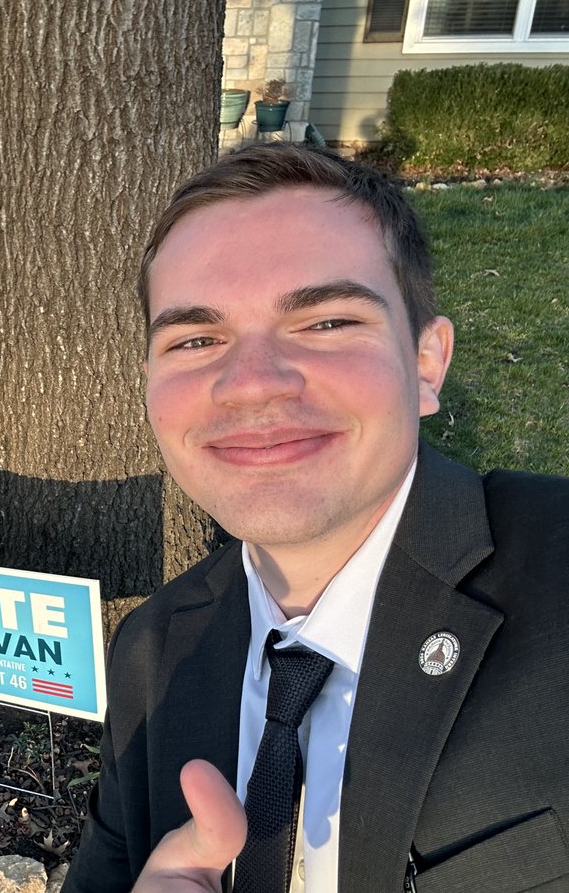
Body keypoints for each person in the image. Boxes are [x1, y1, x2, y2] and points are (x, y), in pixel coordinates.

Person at [64, 143, 569, 893]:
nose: (250, 384)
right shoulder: (152, 654)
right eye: (195, 340)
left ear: (427, 362)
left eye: (326, 322)